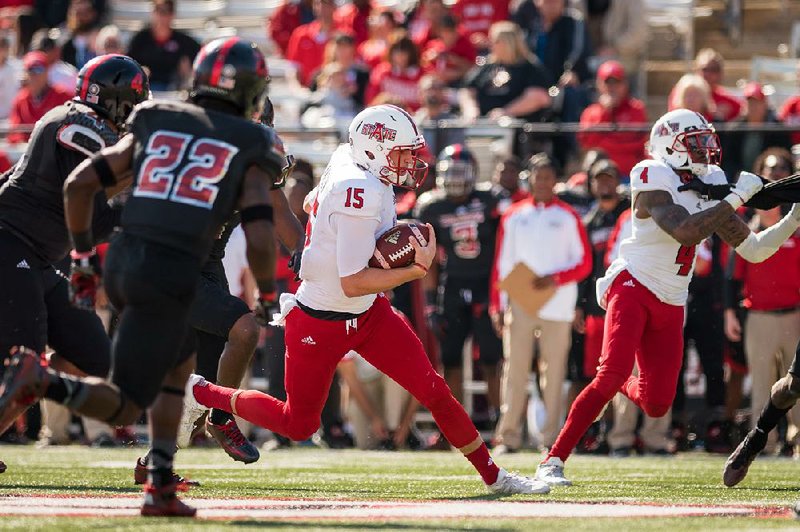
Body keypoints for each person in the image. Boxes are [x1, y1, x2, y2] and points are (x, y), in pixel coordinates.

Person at [178, 103, 550, 496]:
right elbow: (354, 281)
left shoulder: (350, 160)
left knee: (433, 389)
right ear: (374, 148)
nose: (411, 161)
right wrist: (414, 270)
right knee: (298, 424)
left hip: (368, 315)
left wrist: (327, 234)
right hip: (320, 320)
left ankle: (495, 477)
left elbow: (309, 204)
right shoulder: (359, 190)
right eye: (403, 152)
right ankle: (200, 392)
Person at [0, 37, 285, 517]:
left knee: (148, 371)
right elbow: (260, 235)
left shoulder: (160, 121)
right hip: (50, 249)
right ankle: (48, 387)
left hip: (112, 259)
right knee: (127, 395)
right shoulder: (245, 139)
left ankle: (157, 483)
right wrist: (269, 294)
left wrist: (87, 258)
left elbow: (84, 184)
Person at [534, 108, 800, 487]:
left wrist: (792, 218)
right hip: (633, 285)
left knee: (658, 402)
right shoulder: (650, 173)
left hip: (673, 300)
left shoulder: (709, 180)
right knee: (608, 377)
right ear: (668, 146)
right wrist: (737, 196)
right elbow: (685, 231)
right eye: (694, 143)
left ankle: (620, 378)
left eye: (706, 142)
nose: (704, 151)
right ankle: (553, 459)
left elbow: (753, 250)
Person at [133, 99, 304, 477]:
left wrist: (304, 252)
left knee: (202, 386)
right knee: (244, 328)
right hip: (169, 259)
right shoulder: (200, 147)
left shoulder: (257, 155)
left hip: (206, 262)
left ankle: (152, 466)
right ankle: (223, 418)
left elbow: (279, 215)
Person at [0, 53, 149, 472]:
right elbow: (95, 215)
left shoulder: (76, 121)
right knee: (21, 356)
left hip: (43, 257)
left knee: (94, 358)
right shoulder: (80, 125)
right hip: (13, 245)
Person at [490, 152, 592, 453]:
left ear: (556, 181)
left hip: (558, 305)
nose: (543, 182)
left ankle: (550, 439)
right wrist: (498, 304)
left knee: (554, 371)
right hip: (520, 303)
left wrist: (556, 279)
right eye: (538, 177)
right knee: (515, 370)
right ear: (530, 179)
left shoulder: (568, 216)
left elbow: (584, 262)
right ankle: (508, 437)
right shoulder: (514, 215)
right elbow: (502, 264)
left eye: (548, 177)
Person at [414, 144, 503, 418]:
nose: (454, 178)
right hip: (451, 287)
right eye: (450, 172)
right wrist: (430, 305)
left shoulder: (490, 199)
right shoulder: (431, 205)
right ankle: (454, 424)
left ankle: (499, 420)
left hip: (485, 286)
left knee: (491, 359)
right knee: (449, 359)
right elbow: (428, 260)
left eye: (460, 172)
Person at [723, 148, 800, 457]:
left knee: (794, 386)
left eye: (784, 168)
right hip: (760, 315)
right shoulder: (754, 226)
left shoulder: (794, 218)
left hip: (794, 313)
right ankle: (759, 445)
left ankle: (793, 442)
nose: (779, 173)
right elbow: (737, 271)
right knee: (771, 386)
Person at [577, 60, 647, 178]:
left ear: (625, 84)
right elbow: (587, 145)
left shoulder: (637, 109)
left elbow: (639, 144)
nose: (612, 88)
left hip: (630, 175)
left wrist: (606, 145)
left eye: (617, 82)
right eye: (608, 83)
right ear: (599, 84)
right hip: (599, 178)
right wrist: (605, 113)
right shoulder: (590, 113)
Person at [126, 0, 201, 91]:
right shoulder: (140, 39)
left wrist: (187, 75)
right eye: (158, 11)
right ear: (152, 13)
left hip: (175, 91)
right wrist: (140, 71)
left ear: (173, 15)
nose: (162, 16)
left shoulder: (184, 41)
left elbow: (201, 60)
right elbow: (128, 63)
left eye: (167, 11)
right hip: (145, 89)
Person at [8, 51, 72, 143]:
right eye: (31, 70)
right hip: (27, 151)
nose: (35, 75)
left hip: (55, 149)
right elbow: (14, 132)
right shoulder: (20, 100)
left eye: (39, 69)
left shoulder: (63, 96)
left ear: (47, 72)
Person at [286, 0, 337, 87]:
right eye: (318, 3)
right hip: (306, 91)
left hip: (334, 91)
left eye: (326, 3)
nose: (322, 7)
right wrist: (298, 90)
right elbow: (293, 69)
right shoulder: (301, 33)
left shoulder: (343, 34)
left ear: (334, 6)